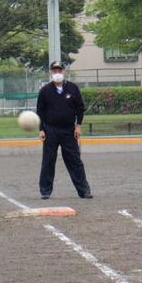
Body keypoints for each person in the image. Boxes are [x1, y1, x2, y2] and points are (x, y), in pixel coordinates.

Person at [36, 60, 92, 200]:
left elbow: (80, 108)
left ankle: (84, 191)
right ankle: (45, 191)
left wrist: (78, 126)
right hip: (50, 130)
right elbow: (40, 111)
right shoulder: (45, 90)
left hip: (69, 131)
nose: (57, 73)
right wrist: (41, 129)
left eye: (59, 70)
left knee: (75, 161)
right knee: (48, 161)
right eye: (54, 70)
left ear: (64, 72)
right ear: (50, 73)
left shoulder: (73, 88)